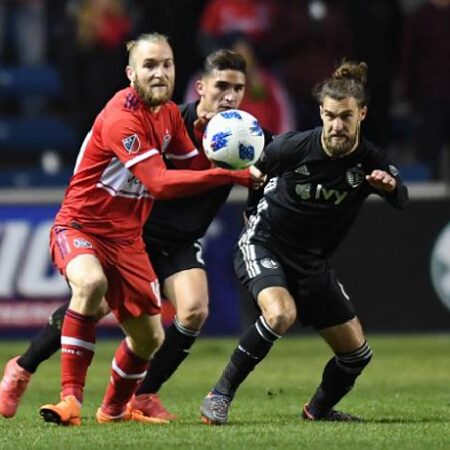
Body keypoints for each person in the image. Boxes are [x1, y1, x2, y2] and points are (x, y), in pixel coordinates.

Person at [1, 33, 257, 427]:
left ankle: (114, 409)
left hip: (128, 240)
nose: (159, 73)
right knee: (90, 286)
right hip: (81, 224)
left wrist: (217, 148)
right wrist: (228, 174)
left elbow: (191, 168)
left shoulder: (170, 115)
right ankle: (68, 398)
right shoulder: (123, 116)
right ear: (130, 73)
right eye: (149, 65)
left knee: (149, 339)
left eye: (166, 64)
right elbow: (158, 182)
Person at [200, 61, 409, 425]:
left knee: (356, 355)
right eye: (330, 115)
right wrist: (251, 215)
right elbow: (256, 176)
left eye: (346, 116)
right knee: (280, 314)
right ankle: (219, 395)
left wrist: (389, 188)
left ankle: (318, 411)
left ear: (362, 113)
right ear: (321, 113)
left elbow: (401, 196)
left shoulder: (370, 160)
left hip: (312, 263)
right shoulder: (293, 147)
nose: (337, 125)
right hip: (265, 245)